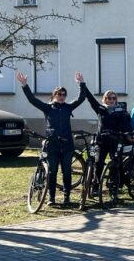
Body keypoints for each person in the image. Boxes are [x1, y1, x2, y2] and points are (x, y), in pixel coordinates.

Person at [16, 71, 86, 206]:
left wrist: (81, 84)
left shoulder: (68, 107)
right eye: (59, 94)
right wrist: (25, 85)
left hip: (66, 145)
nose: (62, 96)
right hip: (52, 145)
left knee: (66, 172)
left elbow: (81, 98)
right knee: (52, 172)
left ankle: (67, 198)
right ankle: (51, 198)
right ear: (54, 95)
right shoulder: (48, 108)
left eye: (64, 94)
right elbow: (32, 100)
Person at [83, 86, 134, 191]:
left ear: (116, 99)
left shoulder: (121, 111)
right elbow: (90, 98)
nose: (111, 100)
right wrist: (82, 84)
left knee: (115, 163)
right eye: (109, 98)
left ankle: (115, 186)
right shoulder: (100, 109)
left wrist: (132, 134)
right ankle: (96, 187)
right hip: (102, 141)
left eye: (113, 98)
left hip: (115, 140)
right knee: (98, 164)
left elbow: (126, 125)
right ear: (105, 99)